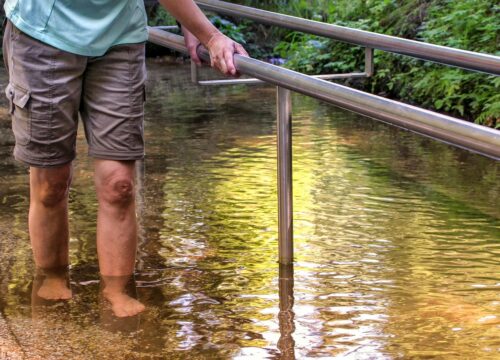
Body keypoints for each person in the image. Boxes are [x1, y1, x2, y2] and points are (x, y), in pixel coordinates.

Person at [3, 0, 248, 317]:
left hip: (120, 39)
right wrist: (210, 35)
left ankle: (116, 290)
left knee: (119, 185)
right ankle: (52, 277)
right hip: (43, 35)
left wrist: (197, 28)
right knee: (51, 182)